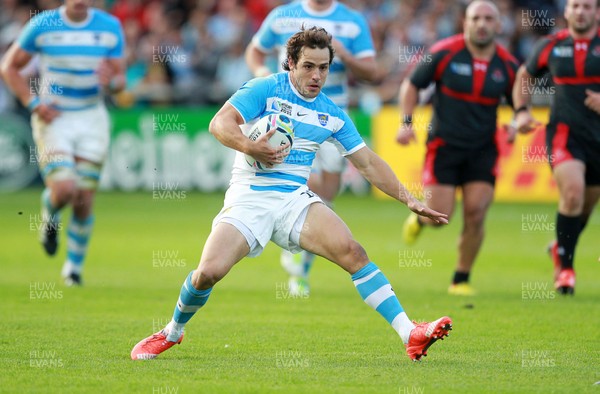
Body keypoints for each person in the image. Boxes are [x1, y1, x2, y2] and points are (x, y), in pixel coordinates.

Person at [131, 27, 452, 362]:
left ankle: (409, 333)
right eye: (309, 66)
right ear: (291, 64)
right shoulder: (265, 88)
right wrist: (249, 145)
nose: (317, 76)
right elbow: (219, 123)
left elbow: (368, 163)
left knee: (353, 252)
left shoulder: (332, 114)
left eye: (324, 68)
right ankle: (172, 332)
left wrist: (409, 199)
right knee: (208, 272)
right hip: (250, 196)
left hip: (294, 199)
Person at [245, 0, 378, 296]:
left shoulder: (352, 21)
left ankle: (300, 255)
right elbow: (255, 50)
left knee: (327, 192)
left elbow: (371, 71)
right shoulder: (282, 15)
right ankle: (298, 260)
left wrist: (344, 54)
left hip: (331, 118)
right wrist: (262, 72)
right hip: (289, 118)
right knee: (304, 183)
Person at [396, 0, 519, 296]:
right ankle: (420, 219)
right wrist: (406, 122)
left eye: (489, 18)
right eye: (476, 18)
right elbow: (411, 85)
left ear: (498, 25)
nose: (482, 24)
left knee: (476, 212)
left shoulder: (508, 66)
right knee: (440, 216)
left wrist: (517, 123)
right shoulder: (443, 53)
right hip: (445, 147)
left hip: (483, 150)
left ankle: (460, 280)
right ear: (465, 22)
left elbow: (521, 105)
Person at [0, 0, 125, 285]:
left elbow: (120, 80)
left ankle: (73, 269)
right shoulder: (43, 24)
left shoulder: (109, 27)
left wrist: (113, 81)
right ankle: (50, 215)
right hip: (55, 117)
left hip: (92, 118)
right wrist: (32, 103)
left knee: (84, 199)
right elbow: (9, 66)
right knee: (65, 188)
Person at [513, 0, 600, 295]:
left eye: (588, 6)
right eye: (575, 5)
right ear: (566, 11)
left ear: (597, 12)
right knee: (572, 192)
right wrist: (521, 111)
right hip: (565, 135)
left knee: (583, 209)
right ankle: (565, 269)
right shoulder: (550, 45)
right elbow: (525, 75)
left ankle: (559, 247)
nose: (581, 11)